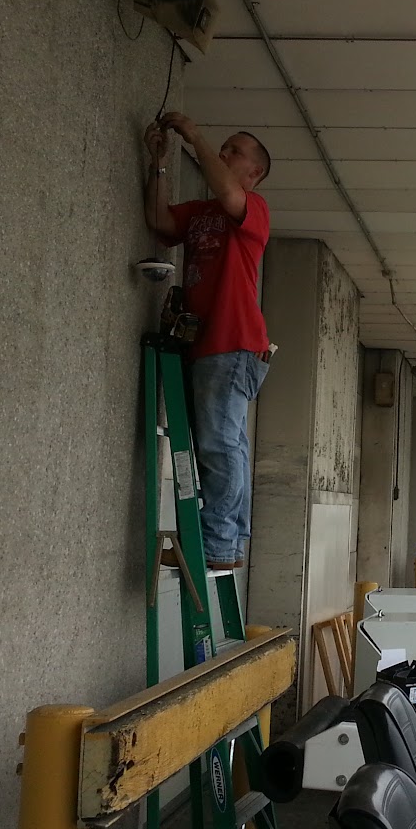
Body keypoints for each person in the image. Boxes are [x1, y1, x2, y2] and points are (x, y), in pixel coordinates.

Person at [143, 112, 272, 570]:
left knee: (219, 445)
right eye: (224, 147)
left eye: (234, 151)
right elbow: (159, 220)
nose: (223, 152)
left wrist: (194, 135)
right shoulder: (202, 213)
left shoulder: (253, 208)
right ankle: (228, 543)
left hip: (232, 340)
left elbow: (229, 193)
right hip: (212, 344)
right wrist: (158, 163)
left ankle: (217, 545)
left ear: (254, 172)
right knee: (225, 444)